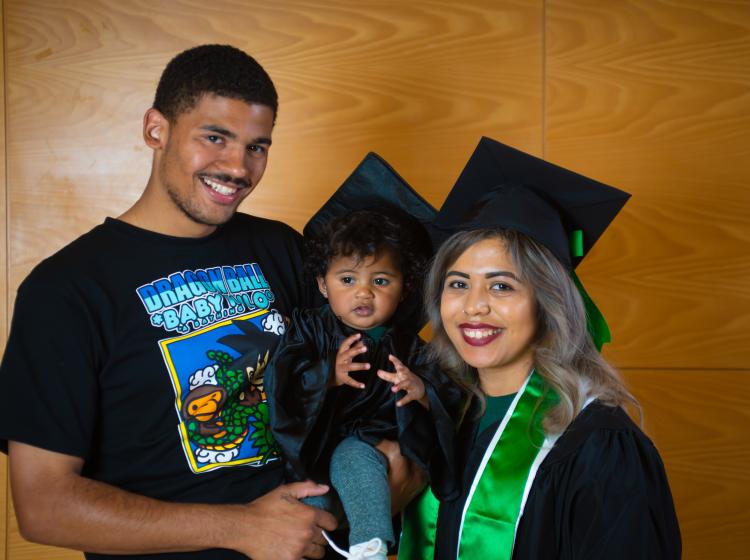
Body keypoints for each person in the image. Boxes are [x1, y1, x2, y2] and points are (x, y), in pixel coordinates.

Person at [0, 44, 415, 560]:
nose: (237, 167)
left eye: (257, 146)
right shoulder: (66, 289)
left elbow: (358, 370)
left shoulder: (281, 248)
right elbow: (44, 505)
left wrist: (395, 476)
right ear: (157, 128)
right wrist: (240, 527)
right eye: (214, 137)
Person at [399, 137, 681, 559]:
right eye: (458, 284)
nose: (474, 306)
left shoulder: (598, 446)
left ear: (547, 303)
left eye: (501, 285)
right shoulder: (439, 413)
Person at [222, 154, 462, 560]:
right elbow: (281, 380)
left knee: (354, 460)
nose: (363, 292)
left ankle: (370, 544)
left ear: (404, 291)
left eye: (381, 280)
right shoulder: (310, 330)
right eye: (348, 279)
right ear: (322, 284)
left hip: (370, 445)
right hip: (314, 445)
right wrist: (326, 375)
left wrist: (420, 388)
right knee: (308, 498)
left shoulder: (409, 346)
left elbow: (447, 395)